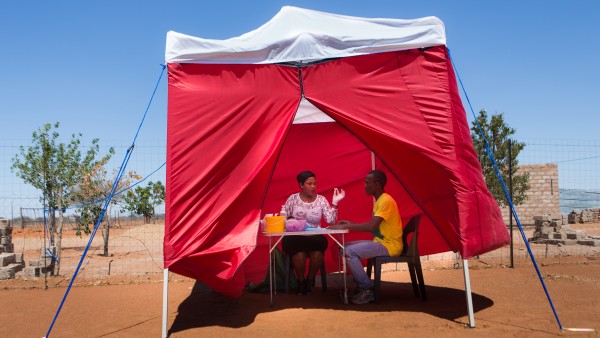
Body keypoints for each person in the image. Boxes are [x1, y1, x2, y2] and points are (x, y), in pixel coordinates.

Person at [328, 170, 402, 304]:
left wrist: (347, 227)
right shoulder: (380, 200)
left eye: (367, 183)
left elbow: (372, 227)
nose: (364, 186)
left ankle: (366, 289)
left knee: (348, 251)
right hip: (381, 242)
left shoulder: (385, 201)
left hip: (389, 246)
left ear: (377, 184)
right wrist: (351, 224)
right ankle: (361, 285)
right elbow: (375, 228)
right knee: (341, 248)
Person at [282, 170, 345, 295]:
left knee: (317, 255)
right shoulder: (292, 199)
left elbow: (330, 220)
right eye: (309, 183)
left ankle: (309, 281)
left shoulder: (321, 200)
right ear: (301, 185)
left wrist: (335, 203)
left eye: (314, 184)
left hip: (315, 237)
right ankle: (300, 282)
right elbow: (283, 220)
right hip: (295, 238)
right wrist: (288, 220)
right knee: (299, 256)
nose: (313, 187)